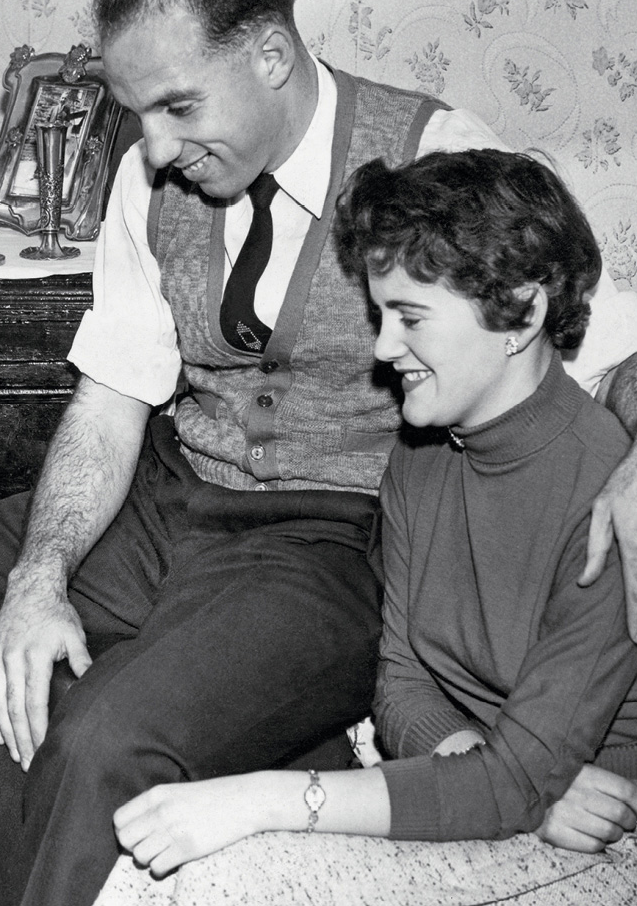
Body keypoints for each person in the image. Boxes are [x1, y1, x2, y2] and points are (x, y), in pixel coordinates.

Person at [0, 0, 637, 906]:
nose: (153, 145)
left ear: (271, 54)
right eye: (137, 110)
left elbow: (603, 342)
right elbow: (111, 400)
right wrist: (37, 576)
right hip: (171, 496)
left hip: (332, 542)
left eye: (179, 106)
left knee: (105, 732)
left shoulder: (433, 153)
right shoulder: (148, 175)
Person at [107, 148, 637, 890]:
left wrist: (264, 799)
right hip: (491, 788)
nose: (384, 349)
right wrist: (491, 768)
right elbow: (398, 680)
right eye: (381, 315)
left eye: (409, 317)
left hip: (590, 839)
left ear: (519, 310)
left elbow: (517, 783)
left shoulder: (611, 499)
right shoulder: (423, 447)